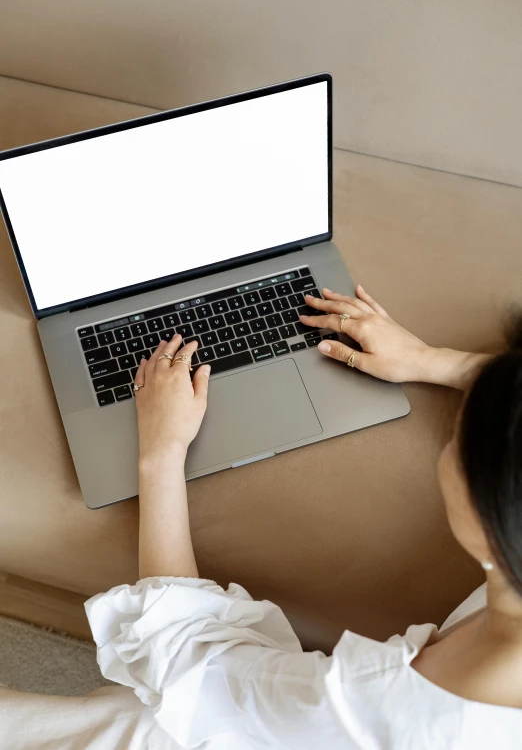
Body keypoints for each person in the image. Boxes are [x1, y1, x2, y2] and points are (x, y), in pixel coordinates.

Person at [2, 285, 521, 749]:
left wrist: (160, 452)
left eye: (460, 441)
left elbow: (195, 666)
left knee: (138, 726)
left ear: (484, 520)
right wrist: (433, 361)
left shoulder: (394, 709)